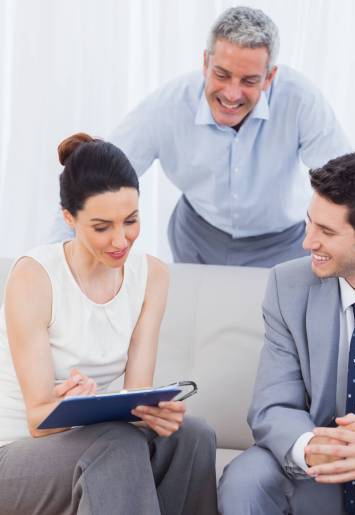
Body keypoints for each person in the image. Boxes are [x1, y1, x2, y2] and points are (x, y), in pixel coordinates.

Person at [0, 133, 218, 515]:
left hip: (89, 440)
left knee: (193, 436)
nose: (121, 240)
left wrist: (153, 411)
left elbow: (136, 393)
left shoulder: (151, 275)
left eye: (131, 221)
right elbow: (38, 420)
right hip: (15, 455)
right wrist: (72, 405)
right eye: (102, 227)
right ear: (69, 218)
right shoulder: (34, 277)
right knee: (116, 445)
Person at [50, 6, 350, 267]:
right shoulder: (166, 107)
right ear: (205, 63)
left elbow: (346, 185)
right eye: (221, 75)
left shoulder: (302, 101)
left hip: (282, 243)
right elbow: (96, 176)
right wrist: (47, 261)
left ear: (269, 77)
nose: (232, 94)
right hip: (197, 238)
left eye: (249, 81)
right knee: (196, 328)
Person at [218, 151, 355, 514]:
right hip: (323, 475)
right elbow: (273, 402)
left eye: (326, 232)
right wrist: (312, 446)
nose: (307, 242)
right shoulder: (287, 285)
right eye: (310, 223)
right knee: (247, 477)